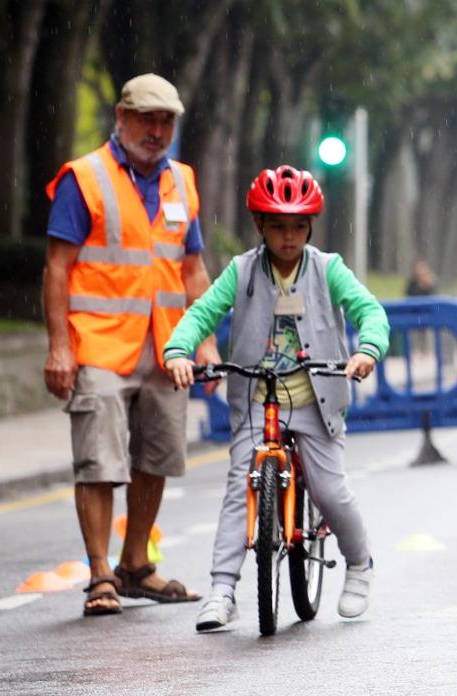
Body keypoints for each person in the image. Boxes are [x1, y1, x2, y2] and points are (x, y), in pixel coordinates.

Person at [162, 165, 390, 632]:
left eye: (299, 226)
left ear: (311, 226)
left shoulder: (329, 269)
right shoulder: (241, 270)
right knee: (237, 490)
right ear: (260, 226)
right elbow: (202, 311)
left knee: (329, 489)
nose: (289, 237)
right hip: (255, 401)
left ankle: (360, 564)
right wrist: (178, 350)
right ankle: (223, 590)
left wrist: (368, 349)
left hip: (315, 402)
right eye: (279, 226)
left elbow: (369, 311)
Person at [42, 73, 214, 616]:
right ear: (121, 117)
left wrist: (204, 340)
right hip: (98, 345)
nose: (157, 130)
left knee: (156, 455)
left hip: (166, 347)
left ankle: (135, 564)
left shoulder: (182, 182)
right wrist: (59, 347)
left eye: (166, 121)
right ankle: (100, 575)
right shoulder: (84, 178)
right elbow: (57, 268)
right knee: (99, 461)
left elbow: (193, 271)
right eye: (146, 118)